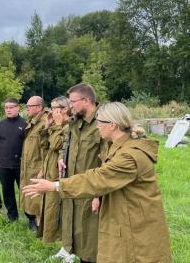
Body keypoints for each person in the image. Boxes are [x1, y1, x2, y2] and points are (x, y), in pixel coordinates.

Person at [23, 102, 172, 263]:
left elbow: (98, 178)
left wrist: (54, 185)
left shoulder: (130, 156)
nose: (97, 127)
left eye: (100, 122)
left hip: (136, 224)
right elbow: (108, 181)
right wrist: (98, 196)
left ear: (113, 125)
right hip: (125, 216)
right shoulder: (118, 146)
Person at [47, 83, 106, 263]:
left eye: (73, 102)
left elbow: (108, 160)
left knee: (92, 241)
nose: (69, 106)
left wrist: (99, 193)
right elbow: (67, 141)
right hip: (73, 186)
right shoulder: (75, 122)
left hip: (92, 189)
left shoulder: (103, 123)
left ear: (87, 100)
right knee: (78, 236)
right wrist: (62, 156)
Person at [38, 96, 71, 243]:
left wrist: (57, 126)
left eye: (54, 108)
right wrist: (47, 126)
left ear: (65, 109)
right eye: (51, 108)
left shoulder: (68, 126)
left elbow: (56, 145)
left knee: (61, 211)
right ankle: (62, 245)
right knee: (51, 208)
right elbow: (45, 145)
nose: (51, 111)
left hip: (61, 174)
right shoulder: (56, 125)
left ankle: (67, 247)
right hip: (50, 171)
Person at [0, 98, 27, 222]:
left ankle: (31, 217)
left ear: (18, 108)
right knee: (7, 191)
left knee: (25, 191)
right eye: (6, 108)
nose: (8, 110)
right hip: (4, 164)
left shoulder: (25, 124)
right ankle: (12, 217)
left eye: (11, 107)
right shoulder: (0, 124)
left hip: (20, 164)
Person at [20, 96, 49, 231]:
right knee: (30, 195)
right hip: (28, 165)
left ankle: (40, 224)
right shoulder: (32, 122)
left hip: (38, 167)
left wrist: (43, 169)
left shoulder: (44, 123)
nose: (27, 109)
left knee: (38, 196)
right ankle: (34, 221)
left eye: (29, 106)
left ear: (39, 108)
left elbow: (47, 149)